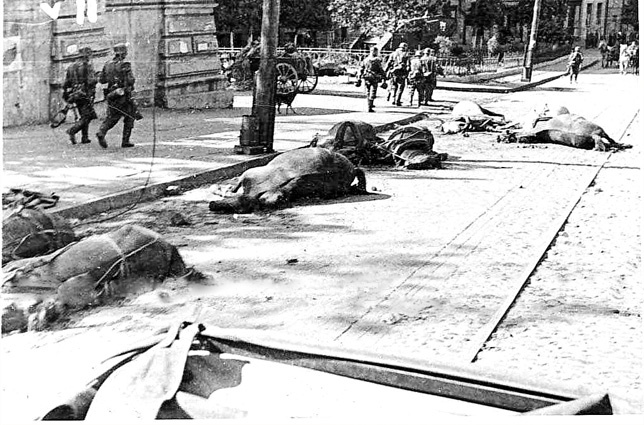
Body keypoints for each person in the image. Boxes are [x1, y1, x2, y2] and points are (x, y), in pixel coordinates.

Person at [96, 43, 143, 149]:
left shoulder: (107, 64)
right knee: (130, 117)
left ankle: (101, 132)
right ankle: (125, 141)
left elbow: (102, 80)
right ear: (123, 53)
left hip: (112, 95)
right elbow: (130, 80)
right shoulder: (125, 64)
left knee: (112, 118)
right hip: (124, 95)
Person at [62, 47, 97, 145]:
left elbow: (65, 84)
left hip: (75, 95)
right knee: (88, 116)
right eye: (90, 54)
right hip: (86, 94)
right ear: (87, 55)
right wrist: (96, 78)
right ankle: (72, 130)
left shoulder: (71, 67)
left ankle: (85, 137)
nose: (90, 57)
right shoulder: (87, 66)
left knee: (84, 115)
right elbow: (91, 81)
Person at [358, 46, 386, 112]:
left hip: (367, 77)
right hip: (374, 77)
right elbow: (380, 69)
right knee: (373, 91)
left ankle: (369, 105)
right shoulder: (377, 60)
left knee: (368, 91)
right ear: (375, 52)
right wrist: (384, 76)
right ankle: (370, 106)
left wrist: (359, 77)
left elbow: (361, 69)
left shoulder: (365, 59)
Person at [384, 42, 409, 106]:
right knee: (400, 87)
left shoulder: (393, 53)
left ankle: (393, 99)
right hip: (402, 73)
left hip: (393, 72)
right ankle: (397, 101)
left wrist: (385, 71)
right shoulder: (406, 54)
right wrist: (407, 73)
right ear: (405, 47)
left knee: (394, 86)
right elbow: (408, 65)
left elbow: (388, 63)